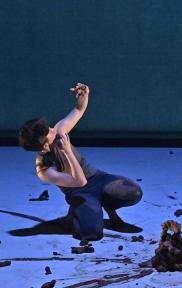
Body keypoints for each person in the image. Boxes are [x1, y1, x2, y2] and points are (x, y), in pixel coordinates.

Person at [18, 83, 142, 241]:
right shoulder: (44, 170)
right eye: (50, 134)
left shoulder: (58, 131)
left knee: (133, 192)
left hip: (97, 178)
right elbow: (80, 181)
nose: (54, 131)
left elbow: (78, 110)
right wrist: (68, 151)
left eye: (50, 130)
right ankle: (77, 212)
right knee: (90, 233)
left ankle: (107, 205)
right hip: (79, 191)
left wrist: (84, 95)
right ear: (42, 147)